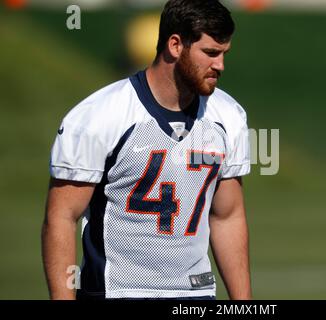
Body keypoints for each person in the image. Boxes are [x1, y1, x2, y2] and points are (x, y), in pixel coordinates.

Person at [42, 0, 252, 300]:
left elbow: (227, 217)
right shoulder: (98, 116)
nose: (220, 65)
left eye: (223, 54)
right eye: (210, 53)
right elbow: (61, 216)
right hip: (117, 292)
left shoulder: (228, 116)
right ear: (176, 45)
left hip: (194, 294)